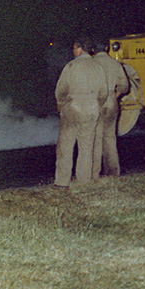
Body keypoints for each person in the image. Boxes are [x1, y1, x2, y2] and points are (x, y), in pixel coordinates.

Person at [54, 35, 107, 188]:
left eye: (74, 48)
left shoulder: (71, 66)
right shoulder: (98, 67)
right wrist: (94, 104)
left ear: (79, 48)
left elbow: (60, 91)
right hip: (91, 110)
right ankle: (84, 182)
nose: (73, 51)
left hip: (72, 109)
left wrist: (62, 104)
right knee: (86, 148)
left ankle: (62, 182)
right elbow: (103, 93)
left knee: (65, 146)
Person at [91, 41, 130, 179]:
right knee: (110, 138)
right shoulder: (115, 63)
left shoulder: (91, 64)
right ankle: (113, 173)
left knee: (95, 139)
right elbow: (124, 86)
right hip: (111, 103)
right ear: (107, 48)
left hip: (95, 103)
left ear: (93, 49)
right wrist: (114, 96)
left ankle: (94, 174)